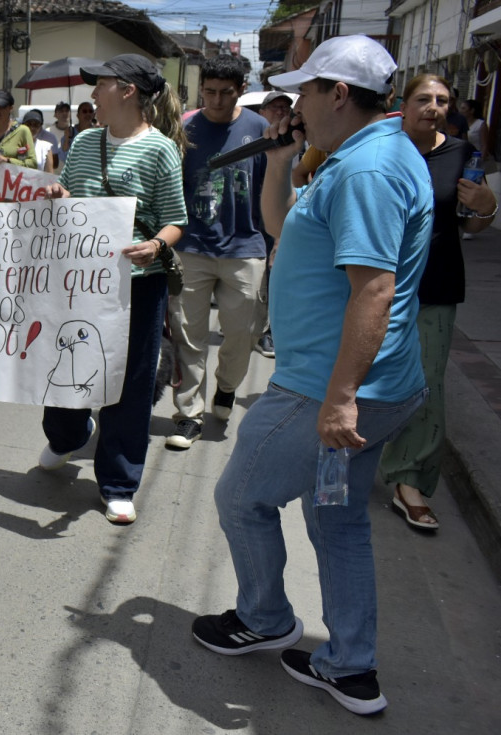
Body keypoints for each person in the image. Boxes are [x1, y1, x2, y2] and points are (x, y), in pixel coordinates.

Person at [190, 35, 432, 716]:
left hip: (325, 388)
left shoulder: (365, 170)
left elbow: (373, 289)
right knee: (336, 518)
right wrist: (276, 164)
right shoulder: (352, 158)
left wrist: (339, 400)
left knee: (241, 496)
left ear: (337, 94)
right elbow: (282, 232)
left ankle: (265, 618)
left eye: (304, 92)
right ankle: (348, 665)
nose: (293, 105)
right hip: (364, 385)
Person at [38, 54, 188, 524]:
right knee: (63, 363)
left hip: (137, 286)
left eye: (99, 85)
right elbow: (69, 194)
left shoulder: (160, 149)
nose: (92, 94)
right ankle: (67, 434)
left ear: (127, 91)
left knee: (131, 380)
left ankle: (119, 482)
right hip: (78, 281)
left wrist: (156, 245)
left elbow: (176, 219)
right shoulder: (83, 141)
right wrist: (57, 196)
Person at [379, 74, 497, 531]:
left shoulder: (462, 155)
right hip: (374, 284)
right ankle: (349, 460)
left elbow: (471, 224)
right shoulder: (380, 147)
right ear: (402, 105)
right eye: (423, 99)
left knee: (426, 384)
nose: (433, 106)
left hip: (437, 286)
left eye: (442, 100)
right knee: (363, 377)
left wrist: (487, 207)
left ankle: (408, 482)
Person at [164, 55, 269, 450]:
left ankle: (226, 387)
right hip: (191, 246)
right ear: (201, 90)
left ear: (241, 89)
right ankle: (188, 414)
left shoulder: (259, 129)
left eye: (226, 93)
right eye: (209, 92)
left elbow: (269, 190)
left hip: (246, 246)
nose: (217, 100)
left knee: (243, 331)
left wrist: (273, 244)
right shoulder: (186, 130)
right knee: (188, 337)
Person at [252, 90, 295, 359]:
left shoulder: (297, 141)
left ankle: (268, 331)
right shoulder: (253, 141)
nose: (280, 112)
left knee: (273, 276)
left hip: (281, 220)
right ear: (262, 112)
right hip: (252, 221)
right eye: (274, 107)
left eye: (285, 108)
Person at [22, 108, 55, 173]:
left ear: (40, 127)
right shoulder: (16, 144)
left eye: (36, 124)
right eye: (29, 124)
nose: (32, 127)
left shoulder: (46, 147)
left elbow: (50, 174)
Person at [47, 101, 71, 167]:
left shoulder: (75, 131)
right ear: (55, 115)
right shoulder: (48, 132)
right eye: (61, 111)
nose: (64, 113)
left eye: (67, 111)